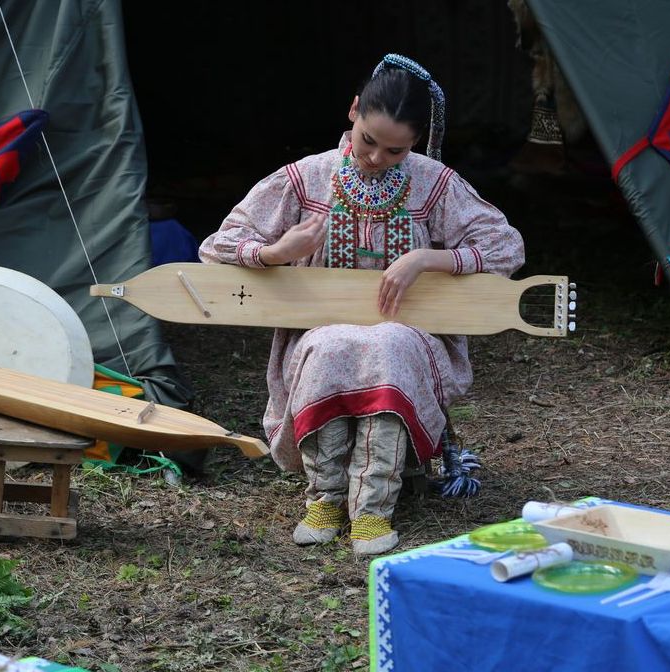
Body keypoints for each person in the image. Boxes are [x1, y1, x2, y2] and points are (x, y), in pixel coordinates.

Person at [199, 53, 525, 555]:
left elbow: (506, 247)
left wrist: (429, 259)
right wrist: (275, 252)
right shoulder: (306, 179)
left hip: (412, 332)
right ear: (353, 111)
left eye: (395, 151)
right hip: (320, 327)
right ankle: (326, 498)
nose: (375, 157)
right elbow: (217, 246)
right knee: (332, 344)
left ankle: (373, 511)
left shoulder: (433, 182)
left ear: (414, 143)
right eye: (368, 141)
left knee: (389, 343)